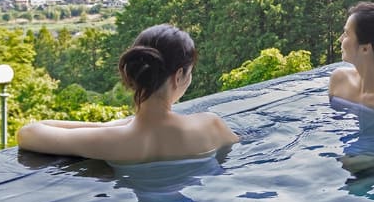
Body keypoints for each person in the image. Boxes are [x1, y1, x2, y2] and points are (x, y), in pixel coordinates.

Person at [17, 25, 239, 163]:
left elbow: (28, 133)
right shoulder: (211, 126)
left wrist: (110, 126)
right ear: (179, 75)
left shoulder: (112, 141)